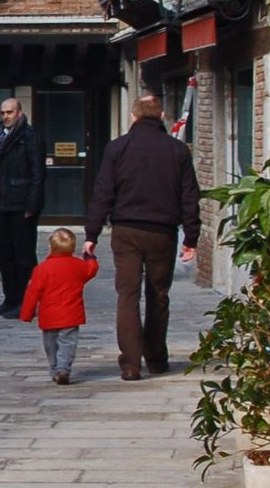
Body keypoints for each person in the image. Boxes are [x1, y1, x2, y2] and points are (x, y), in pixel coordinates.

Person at [84, 95, 201, 381]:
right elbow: (189, 196)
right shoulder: (178, 151)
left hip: (126, 231)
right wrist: (191, 237)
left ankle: (131, 364)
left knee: (128, 295)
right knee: (158, 295)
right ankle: (157, 359)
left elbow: (103, 193)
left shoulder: (117, 148)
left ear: (134, 118)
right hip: (162, 232)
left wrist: (92, 234)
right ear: (161, 116)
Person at [20, 228, 99, 385]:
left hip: (49, 315)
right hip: (71, 314)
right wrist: (90, 257)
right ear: (73, 247)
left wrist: (26, 314)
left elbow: (32, 293)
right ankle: (63, 369)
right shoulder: (78, 266)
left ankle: (55, 368)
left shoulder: (42, 269)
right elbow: (92, 269)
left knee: (51, 345)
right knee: (68, 344)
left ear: (50, 247)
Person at [0, 97, 44, 319]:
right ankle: (10, 298)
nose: (5, 116)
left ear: (19, 113)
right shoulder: (1, 137)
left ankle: (24, 301)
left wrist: (32, 205)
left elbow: (38, 173)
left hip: (22, 203)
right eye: (3, 112)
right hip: (4, 203)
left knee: (23, 256)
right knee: (3, 252)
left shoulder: (30, 136)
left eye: (10, 112)